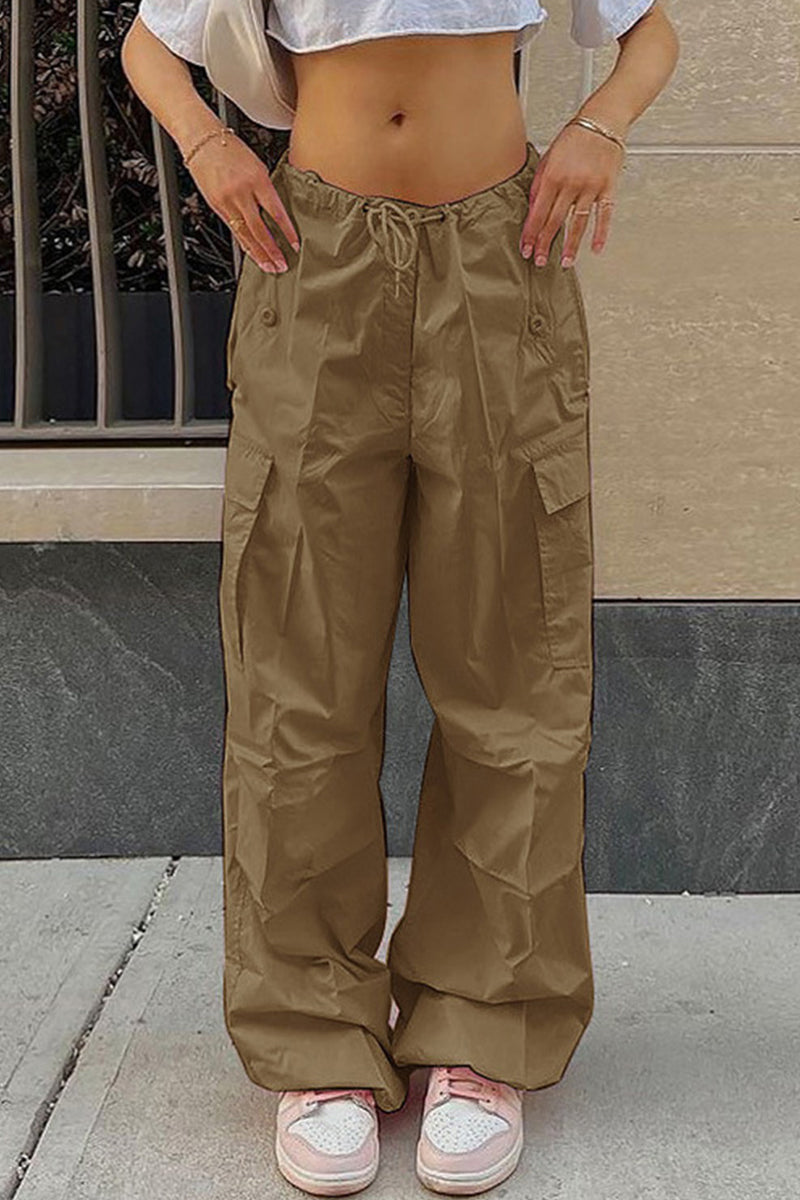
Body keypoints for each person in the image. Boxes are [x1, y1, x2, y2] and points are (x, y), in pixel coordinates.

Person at [121, 2, 679, 1194]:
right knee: (297, 679)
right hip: (314, 255)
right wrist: (211, 148)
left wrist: (599, 128)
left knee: (511, 674)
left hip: (500, 255)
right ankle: (315, 1040)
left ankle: (483, 1033)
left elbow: (647, 31)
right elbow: (148, 43)